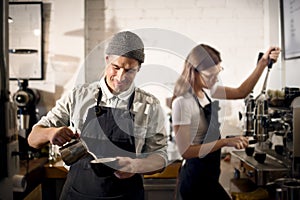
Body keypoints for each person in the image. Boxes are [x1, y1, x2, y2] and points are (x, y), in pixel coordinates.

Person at [28, 31, 168, 200]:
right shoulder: (79, 96)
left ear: (138, 69)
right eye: (116, 68)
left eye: (129, 70)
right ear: (107, 59)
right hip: (79, 193)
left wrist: (137, 165)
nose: (120, 77)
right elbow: (33, 139)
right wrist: (51, 133)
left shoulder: (149, 105)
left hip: (126, 194)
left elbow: (160, 156)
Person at [171, 44, 280, 199]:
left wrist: (262, 63)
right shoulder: (182, 103)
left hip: (209, 176)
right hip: (195, 180)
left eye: (218, 73)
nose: (215, 79)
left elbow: (241, 92)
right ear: (194, 72)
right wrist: (224, 142)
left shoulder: (207, 91)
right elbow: (186, 151)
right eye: (211, 75)